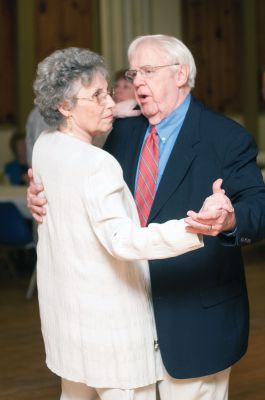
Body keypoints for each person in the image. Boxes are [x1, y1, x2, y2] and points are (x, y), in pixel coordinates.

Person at [27, 35, 265, 400]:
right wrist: (43, 194)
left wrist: (229, 221)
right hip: (123, 318)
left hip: (193, 318)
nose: (137, 81)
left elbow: (258, 209)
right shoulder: (120, 129)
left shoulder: (226, 137)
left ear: (181, 74)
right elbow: (81, 181)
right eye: (133, 71)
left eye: (148, 71)